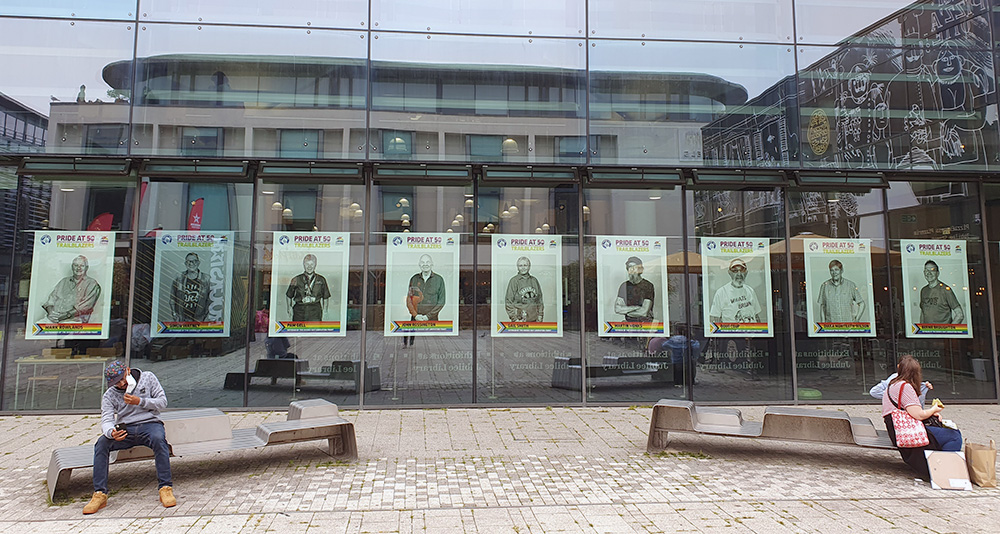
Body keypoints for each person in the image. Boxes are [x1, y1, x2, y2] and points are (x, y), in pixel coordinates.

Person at [83, 360, 175, 514]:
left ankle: (165, 487)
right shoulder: (110, 394)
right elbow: (106, 418)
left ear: (127, 371)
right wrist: (111, 432)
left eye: (122, 379)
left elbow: (162, 402)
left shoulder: (148, 377)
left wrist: (141, 401)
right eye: (116, 383)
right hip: (126, 429)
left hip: (150, 423)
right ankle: (100, 493)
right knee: (101, 444)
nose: (121, 384)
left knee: (159, 439)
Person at [881, 355, 963, 480]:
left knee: (942, 432)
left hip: (896, 429)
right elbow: (918, 414)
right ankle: (943, 473)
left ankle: (941, 469)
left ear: (899, 368)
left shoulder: (892, 385)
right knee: (954, 436)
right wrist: (934, 409)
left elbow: (909, 411)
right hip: (906, 431)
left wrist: (931, 413)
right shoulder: (905, 387)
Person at [41, 254, 102, 324]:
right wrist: (51, 312)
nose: (78, 268)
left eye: (82, 266)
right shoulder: (64, 281)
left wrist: (63, 316)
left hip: (73, 321)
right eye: (76, 265)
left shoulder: (92, 284)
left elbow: (84, 307)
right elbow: (50, 301)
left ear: (86, 268)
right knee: (36, 329)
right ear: (72, 267)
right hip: (52, 318)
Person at [404, 254, 446, 347]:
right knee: (412, 346)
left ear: (432, 264)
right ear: (419, 264)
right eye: (422, 262)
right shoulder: (414, 279)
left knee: (435, 347)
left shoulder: (439, 279)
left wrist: (428, 316)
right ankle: (410, 344)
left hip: (433, 320)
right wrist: (415, 315)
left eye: (428, 262)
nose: (425, 264)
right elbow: (409, 300)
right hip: (415, 319)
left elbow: (441, 301)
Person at [708, 258, 761, 324]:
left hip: (751, 333)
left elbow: (756, 316)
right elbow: (715, 318)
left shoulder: (750, 291)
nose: (739, 274)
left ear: (746, 273)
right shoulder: (721, 292)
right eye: (735, 271)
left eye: (742, 270)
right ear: (729, 273)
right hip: (731, 333)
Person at [285, 254, 331, 322]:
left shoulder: (321, 280)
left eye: (312, 264)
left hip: (315, 312)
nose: (309, 266)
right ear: (303, 264)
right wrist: (289, 308)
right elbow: (289, 295)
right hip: (299, 312)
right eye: (307, 264)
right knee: (298, 332)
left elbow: (326, 297)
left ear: (315, 264)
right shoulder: (296, 279)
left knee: (314, 331)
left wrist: (325, 311)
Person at [918, 260, 965, 325]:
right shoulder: (923, 291)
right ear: (924, 273)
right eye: (926, 270)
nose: (929, 273)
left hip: (942, 334)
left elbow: (960, 315)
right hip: (928, 333)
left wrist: (949, 331)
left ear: (937, 273)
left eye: (932, 270)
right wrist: (921, 331)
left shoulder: (945, 290)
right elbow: (923, 313)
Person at [170, 252, 211, 322]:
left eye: (194, 261)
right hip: (182, 319)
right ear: (185, 263)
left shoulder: (207, 279)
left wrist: (206, 317)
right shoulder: (178, 278)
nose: (191, 264)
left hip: (200, 319)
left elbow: (210, 300)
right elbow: (172, 298)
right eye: (189, 261)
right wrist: (174, 313)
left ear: (198, 263)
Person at [614, 256, 654, 323]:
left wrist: (626, 312)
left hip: (645, 325)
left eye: (634, 267)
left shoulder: (648, 286)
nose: (632, 269)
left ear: (640, 269)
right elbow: (617, 309)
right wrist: (637, 308)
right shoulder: (624, 286)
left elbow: (644, 312)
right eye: (629, 267)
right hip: (628, 324)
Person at [505, 256, 544, 323]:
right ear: (517, 267)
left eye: (525, 265)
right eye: (520, 265)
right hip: (519, 320)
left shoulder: (534, 280)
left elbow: (539, 300)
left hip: (535, 320)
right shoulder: (514, 281)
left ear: (529, 266)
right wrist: (514, 319)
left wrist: (540, 315)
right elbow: (508, 302)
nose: (523, 268)